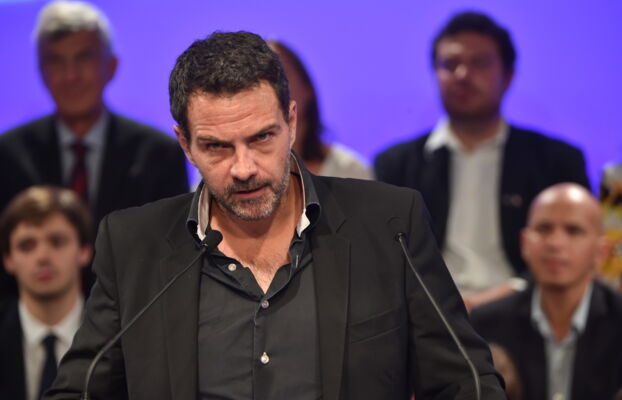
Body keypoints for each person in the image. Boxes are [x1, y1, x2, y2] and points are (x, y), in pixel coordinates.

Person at [45, 31, 505, 399]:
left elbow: (468, 381)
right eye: (217, 147)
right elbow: (78, 390)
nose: (244, 168)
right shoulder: (133, 245)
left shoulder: (389, 224)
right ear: (185, 144)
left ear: (292, 122)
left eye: (262, 138)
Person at [374, 11, 590, 309]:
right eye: (450, 64)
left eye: (480, 63)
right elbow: (384, 259)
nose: (462, 74)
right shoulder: (396, 165)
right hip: (426, 313)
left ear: (508, 76)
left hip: (527, 310)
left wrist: (498, 300)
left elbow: (577, 253)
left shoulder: (555, 161)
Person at [0, 0, 188, 300]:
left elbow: (172, 259)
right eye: (56, 61)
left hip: (133, 316)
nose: (70, 75)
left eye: (84, 58)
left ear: (110, 67)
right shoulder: (8, 155)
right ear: (41, 72)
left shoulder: (159, 154)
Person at [470, 183, 622, 400]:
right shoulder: (485, 325)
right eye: (544, 229)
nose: (555, 243)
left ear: (601, 251)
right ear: (524, 243)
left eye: (573, 230)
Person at [0, 186, 92, 400]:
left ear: (85, 251)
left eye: (57, 242)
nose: (42, 256)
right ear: (8, 260)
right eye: (27, 246)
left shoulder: (121, 337)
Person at [267, 40, 374, 180]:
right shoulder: (247, 171)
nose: (270, 89)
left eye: (279, 76)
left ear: (307, 88)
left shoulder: (350, 169)